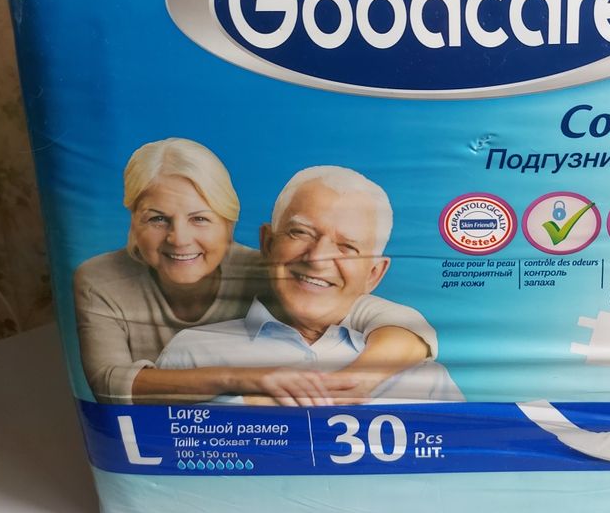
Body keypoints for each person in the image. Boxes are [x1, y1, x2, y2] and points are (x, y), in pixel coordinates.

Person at [75, 139, 437, 405]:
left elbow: (382, 313)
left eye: (200, 218)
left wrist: (358, 379)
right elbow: (108, 384)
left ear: (229, 224)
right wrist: (245, 379)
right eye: (157, 219)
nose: (179, 239)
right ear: (133, 220)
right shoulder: (101, 281)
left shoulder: (270, 268)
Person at [157, 166, 463, 404]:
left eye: (347, 247)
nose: (317, 259)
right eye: (300, 233)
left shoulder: (420, 377)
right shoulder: (192, 353)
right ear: (267, 243)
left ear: (373, 274)